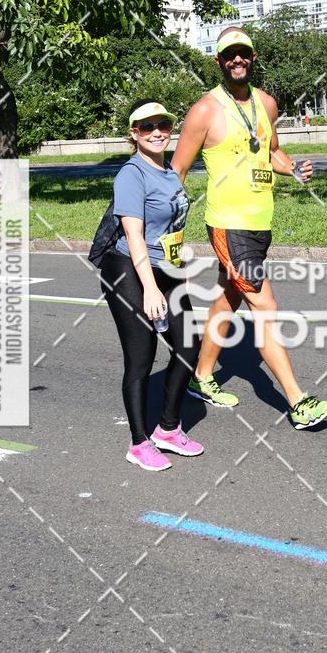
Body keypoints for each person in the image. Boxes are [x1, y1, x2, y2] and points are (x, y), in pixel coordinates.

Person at [172, 27, 327, 430]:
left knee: (228, 298)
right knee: (265, 308)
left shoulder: (266, 103)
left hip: (260, 222)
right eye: (229, 55)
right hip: (228, 226)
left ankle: (200, 376)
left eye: (242, 53)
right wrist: (166, 230)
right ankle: (298, 404)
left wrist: (294, 169)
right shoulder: (204, 111)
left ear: (252, 56)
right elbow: (175, 172)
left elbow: (272, 150)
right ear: (218, 61)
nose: (237, 60)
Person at [100, 98, 203, 470]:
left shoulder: (170, 173)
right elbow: (135, 233)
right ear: (134, 133)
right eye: (147, 126)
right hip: (126, 267)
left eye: (162, 125)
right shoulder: (131, 174)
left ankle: (168, 430)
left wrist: (178, 269)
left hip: (164, 267)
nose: (157, 132)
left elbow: (172, 227)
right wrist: (151, 287)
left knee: (190, 343)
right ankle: (139, 442)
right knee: (141, 356)